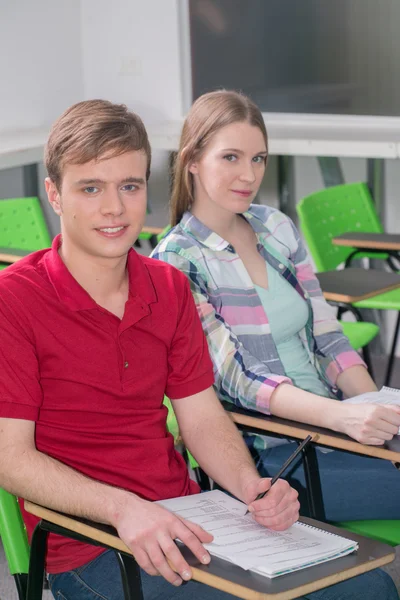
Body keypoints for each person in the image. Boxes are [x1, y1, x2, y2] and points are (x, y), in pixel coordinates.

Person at [0, 101, 396, 600]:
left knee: (372, 588)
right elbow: (9, 458)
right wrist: (125, 508)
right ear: (55, 195)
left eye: (130, 186)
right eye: (91, 188)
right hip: (93, 545)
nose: (114, 209)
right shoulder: (13, 299)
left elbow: (203, 419)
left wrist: (254, 489)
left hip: (192, 517)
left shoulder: (167, 286)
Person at [152, 89, 400, 524]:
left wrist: (377, 409)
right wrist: (344, 418)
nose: (248, 174)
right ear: (192, 159)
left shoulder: (275, 227)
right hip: (276, 454)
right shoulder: (176, 260)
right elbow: (239, 380)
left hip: (337, 429)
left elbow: (328, 334)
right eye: (231, 157)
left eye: (258, 158)